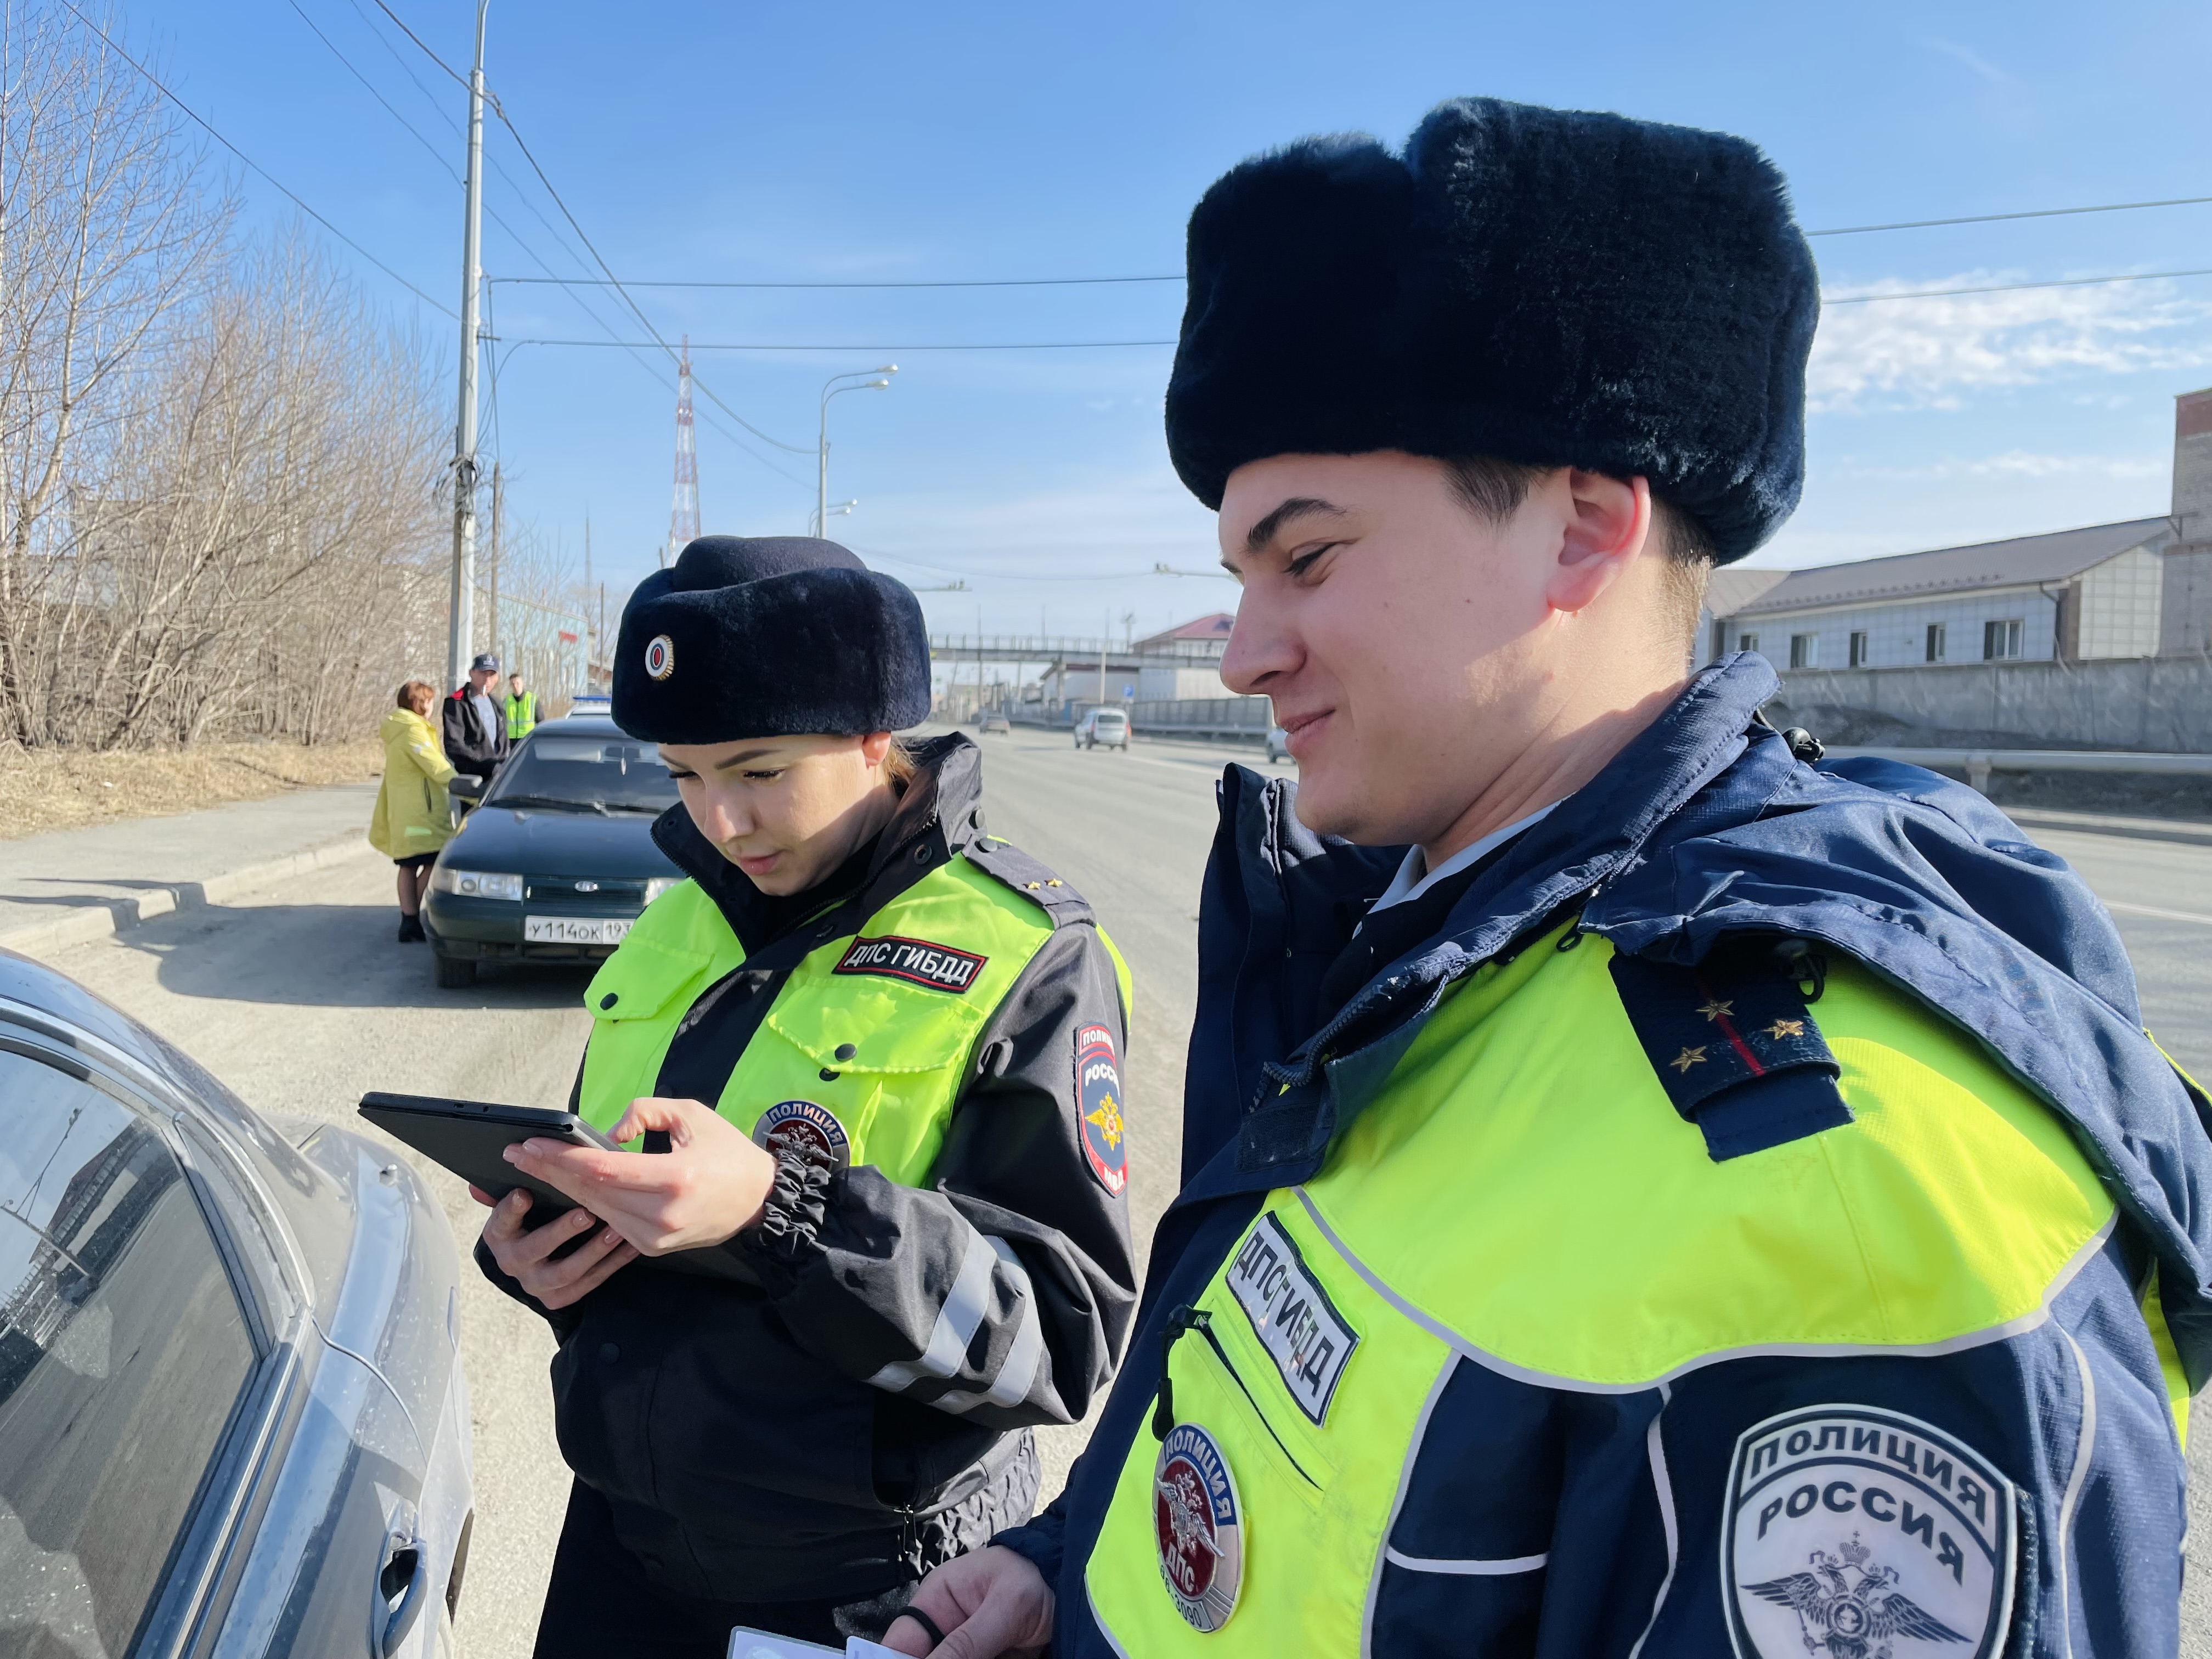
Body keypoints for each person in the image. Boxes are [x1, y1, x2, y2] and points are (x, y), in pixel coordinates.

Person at [889, 99, 2212, 1659]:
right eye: (1237, 578)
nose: (1246, 653)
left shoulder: (1845, 1203)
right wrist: (1074, 1566)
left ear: (1585, 528)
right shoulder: (1425, 948)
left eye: (1306, 560)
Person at [471, 535, 1139, 1658]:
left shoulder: (1026, 956)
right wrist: (541, 1258)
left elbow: (1060, 1341)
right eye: (685, 775)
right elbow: (621, 1179)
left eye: (759, 771)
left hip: (866, 1591)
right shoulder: (682, 922)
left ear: (878, 740)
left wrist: (789, 1215)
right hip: (623, 1551)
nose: (720, 823)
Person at [367, 679, 458, 943]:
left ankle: (409, 921)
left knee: (408, 864)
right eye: (427, 700)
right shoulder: (412, 730)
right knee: (435, 858)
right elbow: (436, 766)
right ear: (418, 703)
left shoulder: (400, 727)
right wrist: (463, 785)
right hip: (421, 811)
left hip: (405, 809)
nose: (431, 705)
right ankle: (410, 919)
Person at [442, 651, 510, 785]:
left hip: (499, 777)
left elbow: (503, 741)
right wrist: (485, 765)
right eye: (483, 673)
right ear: (471, 673)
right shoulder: (457, 702)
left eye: (492, 675)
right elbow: (454, 746)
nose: (487, 679)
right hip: (473, 780)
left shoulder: (497, 704)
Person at [505, 669, 538, 741]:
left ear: (522, 684)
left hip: (528, 738)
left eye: (517, 683)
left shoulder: (532, 699)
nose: (515, 686)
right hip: (511, 739)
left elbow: (541, 721)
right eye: (513, 684)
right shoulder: (507, 701)